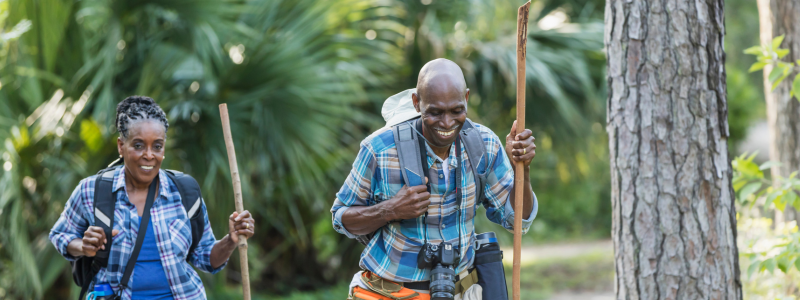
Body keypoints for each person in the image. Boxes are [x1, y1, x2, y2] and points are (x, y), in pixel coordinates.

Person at [331, 58, 538, 299]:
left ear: (467, 98)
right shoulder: (379, 150)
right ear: (417, 102)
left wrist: (522, 168)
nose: (447, 123)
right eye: (436, 112)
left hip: (464, 291)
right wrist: (390, 210)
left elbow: (518, 221)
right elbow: (341, 218)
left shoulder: (484, 144)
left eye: (457, 110)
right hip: (390, 293)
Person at [49, 96, 255, 300]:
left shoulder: (184, 191)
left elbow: (206, 258)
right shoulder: (92, 190)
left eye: (157, 146)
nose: (149, 155)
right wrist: (83, 247)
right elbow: (60, 235)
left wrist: (231, 240)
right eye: (138, 145)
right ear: (121, 146)